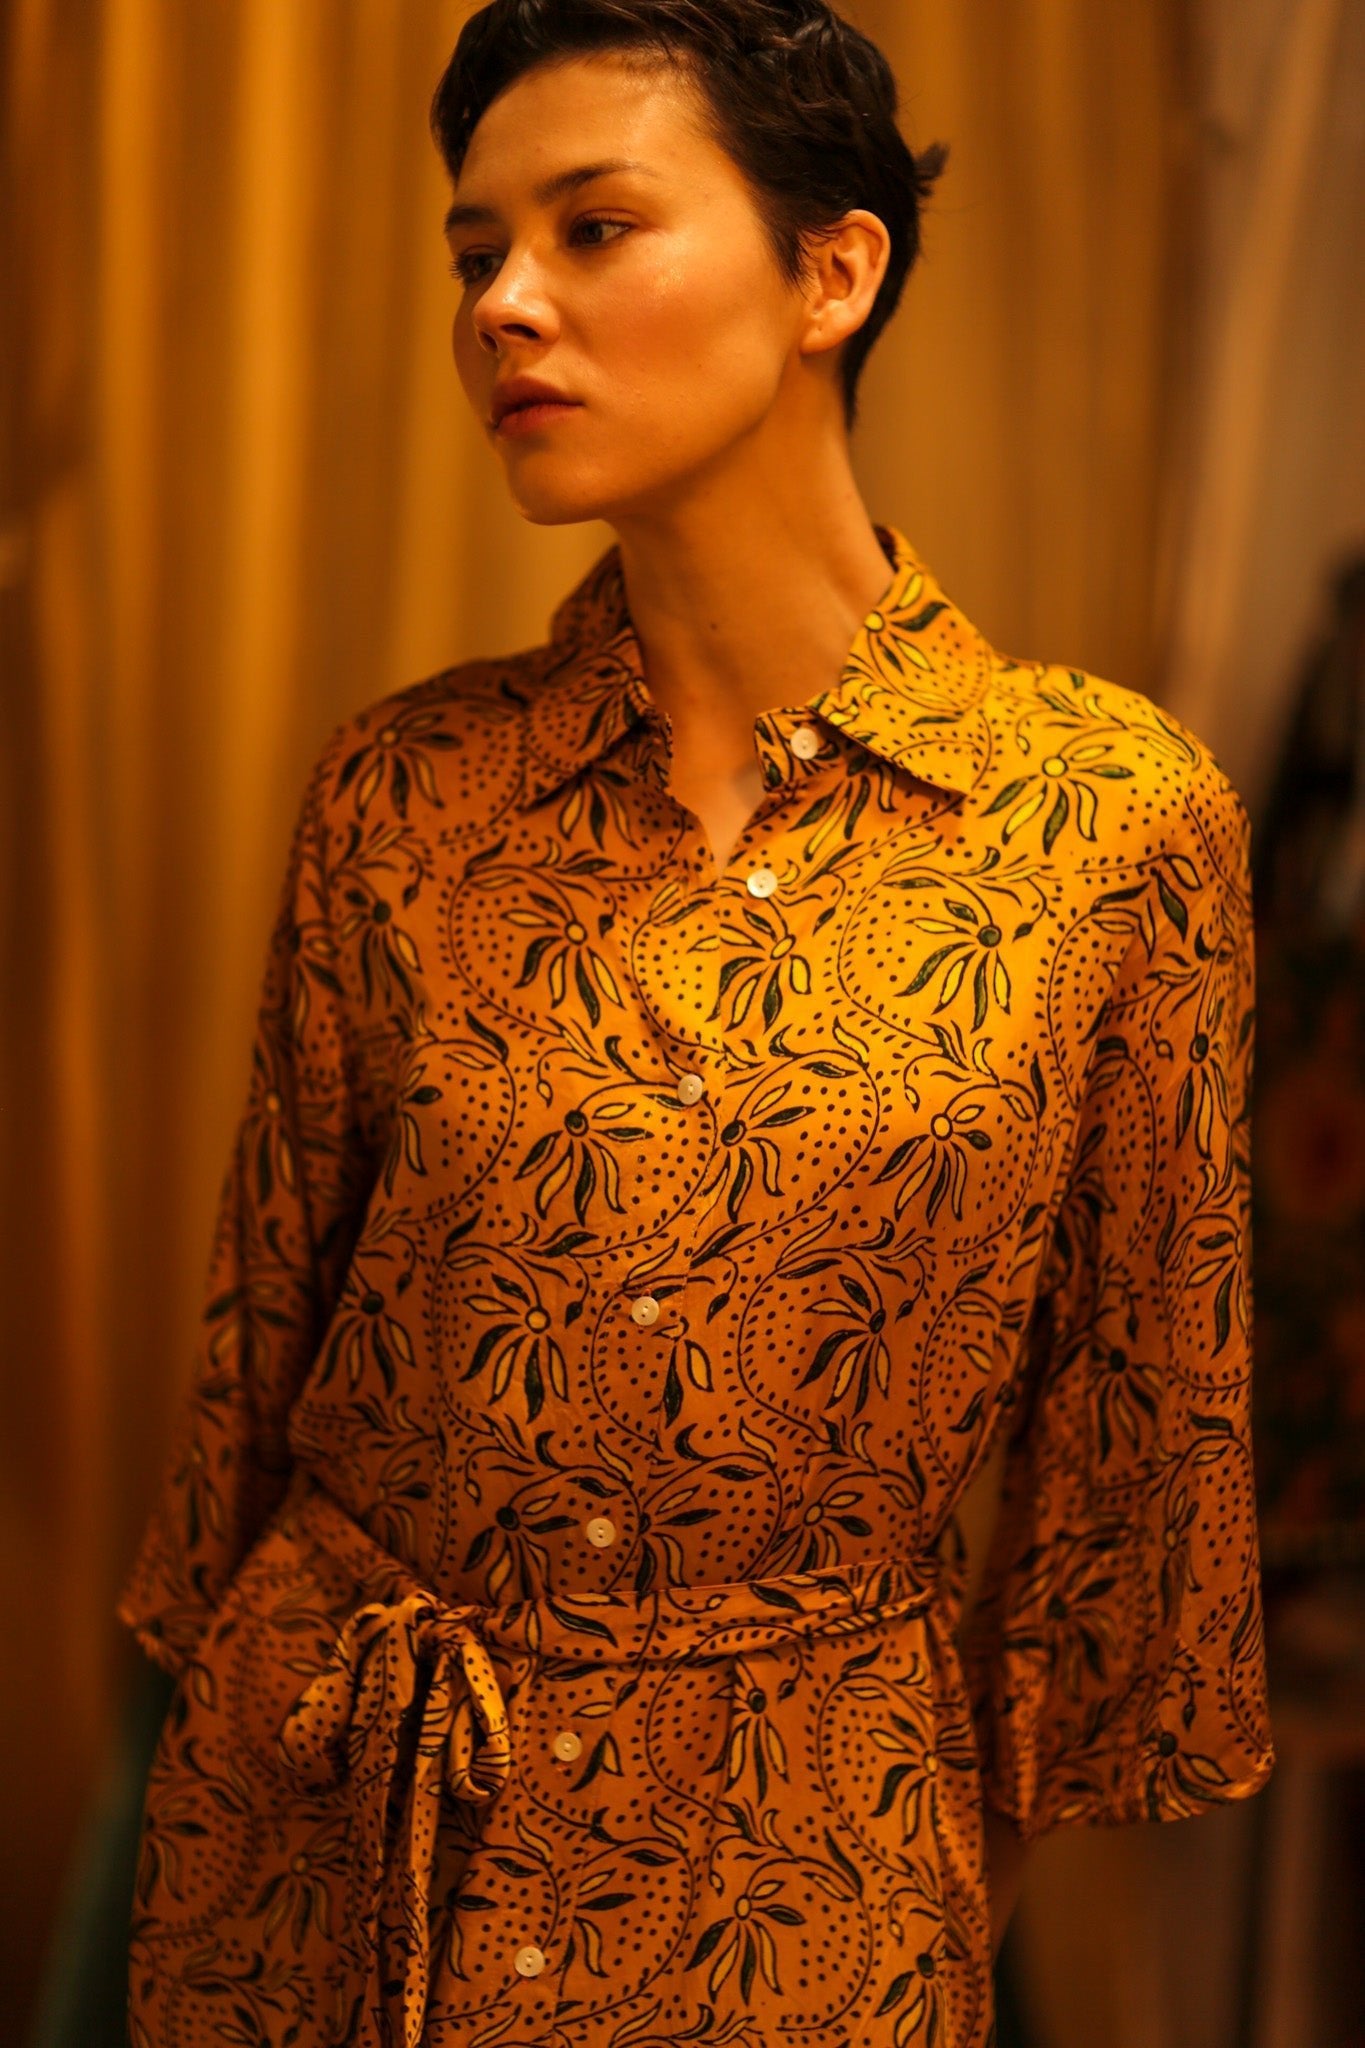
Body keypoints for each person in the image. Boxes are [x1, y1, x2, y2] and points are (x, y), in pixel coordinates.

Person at [115, 4, 1275, 2044]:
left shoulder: (1103, 823)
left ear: (832, 271)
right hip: (336, 1856)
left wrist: (927, 1891)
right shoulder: (403, 791)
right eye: (476, 250)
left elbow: (1133, 1464)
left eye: (592, 227)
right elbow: (257, 1362)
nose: (503, 304)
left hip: (802, 1887)